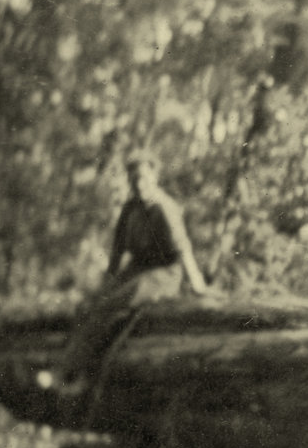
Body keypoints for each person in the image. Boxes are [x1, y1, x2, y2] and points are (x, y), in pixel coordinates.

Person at [53, 154, 212, 407]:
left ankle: (79, 376)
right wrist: (106, 285)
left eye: (143, 178)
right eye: (133, 179)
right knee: (93, 304)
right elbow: (117, 252)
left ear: (154, 177)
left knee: (115, 305)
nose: (139, 184)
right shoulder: (130, 208)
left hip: (164, 273)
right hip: (137, 268)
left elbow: (182, 250)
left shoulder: (164, 208)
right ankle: (66, 369)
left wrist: (197, 285)